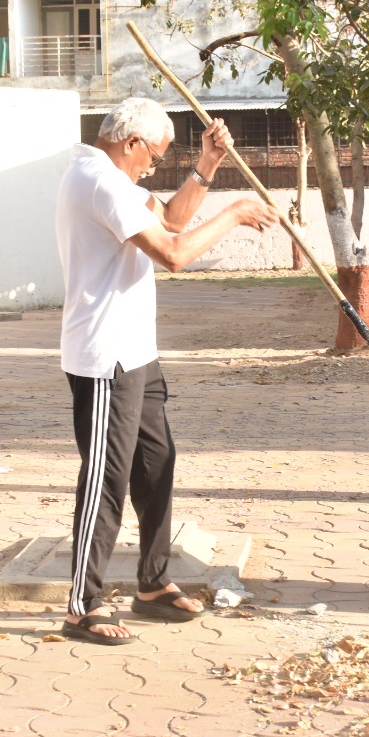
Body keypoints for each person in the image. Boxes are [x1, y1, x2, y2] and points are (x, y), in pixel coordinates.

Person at [56, 98, 276, 646]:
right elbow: (174, 253)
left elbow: (172, 220)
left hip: (136, 354)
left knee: (156, 465)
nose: (152, 168)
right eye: (151, 157)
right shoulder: (98, 182)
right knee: (107, 478)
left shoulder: (112, 178)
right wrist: (233, 214)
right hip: (105, 356)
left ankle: (151, 585)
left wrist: (207, 166)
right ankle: (82, 604)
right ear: (130, 143)